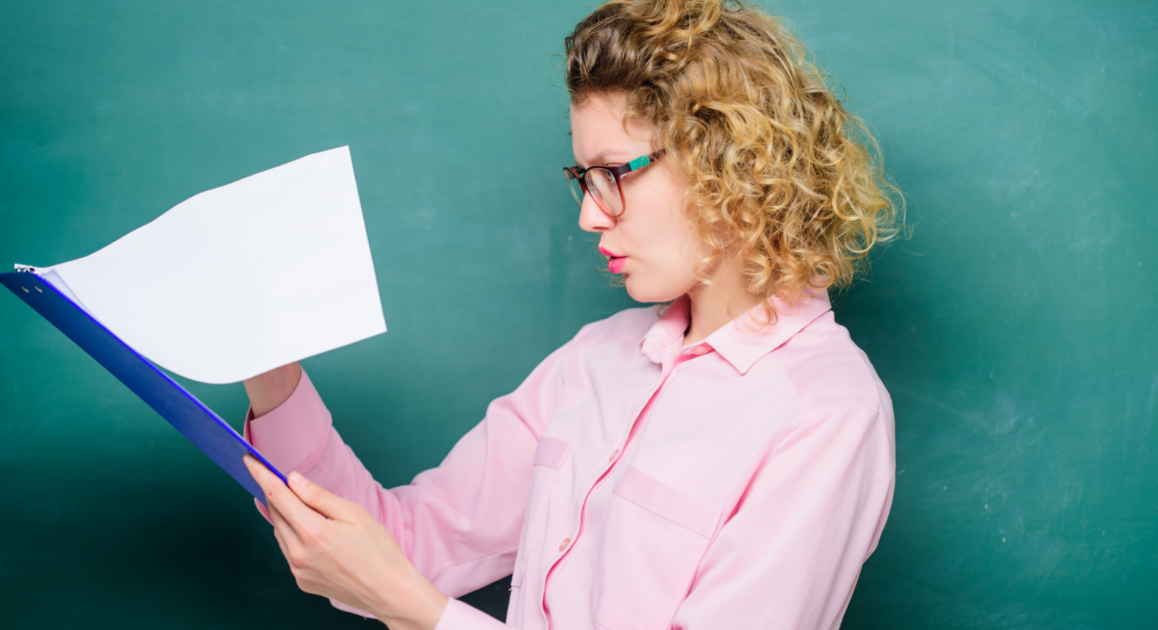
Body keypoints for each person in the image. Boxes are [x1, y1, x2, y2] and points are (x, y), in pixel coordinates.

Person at [241, 0, 902, 628]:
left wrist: (418, 615)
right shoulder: (596, 359)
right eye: (584, 179)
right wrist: (266, 371)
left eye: (613, 172)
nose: (589, 215)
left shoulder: (824, 414)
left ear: (727, 161)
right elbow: (405, 549)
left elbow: (402, 590)